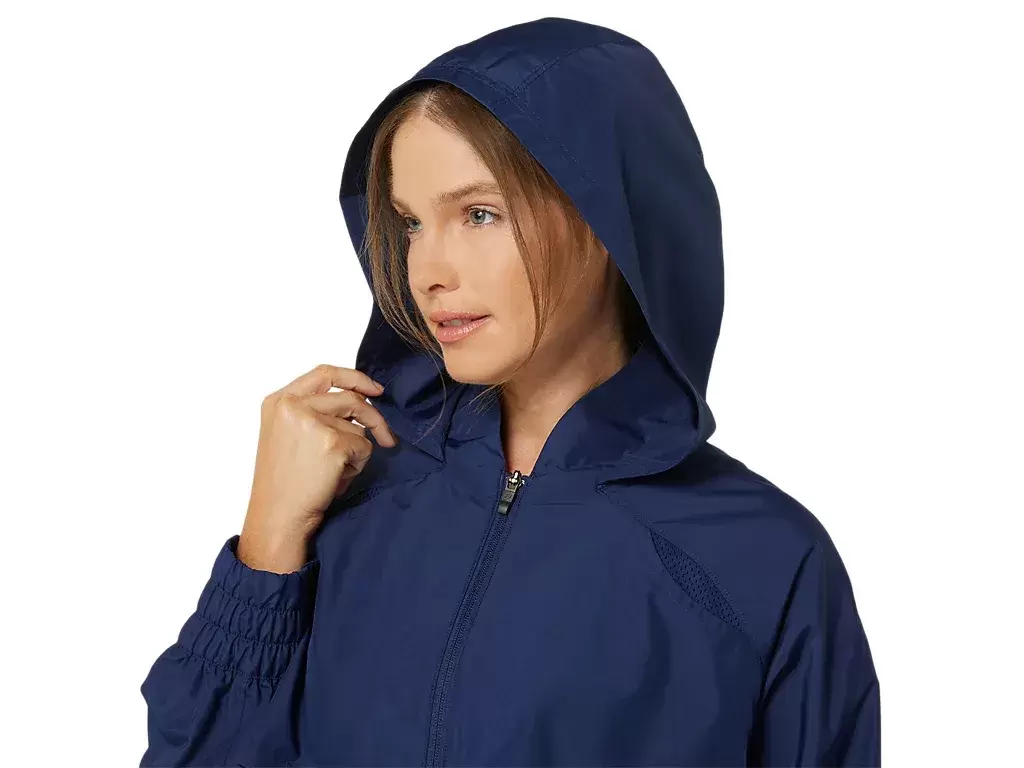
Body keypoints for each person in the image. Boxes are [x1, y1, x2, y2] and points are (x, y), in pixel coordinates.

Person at [140, 15, 881, 767]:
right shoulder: (348, 496)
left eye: (478, 214)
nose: (427, 270)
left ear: (607, 218)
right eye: (410, 224)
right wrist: (267, 548)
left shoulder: (761, 559)